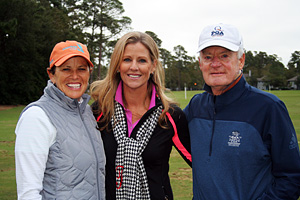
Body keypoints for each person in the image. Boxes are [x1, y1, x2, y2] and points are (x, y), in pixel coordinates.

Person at [184, 23, 300, 200]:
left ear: (241, 60)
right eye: (208, 57)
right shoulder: (195, 106)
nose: (215, 64)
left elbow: (291, 178)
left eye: (224, 56)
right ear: (200, 63)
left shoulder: (269, 107)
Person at [90, 31, 191, 200]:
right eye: (127, 59)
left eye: (142, 60)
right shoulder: (100, 112)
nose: (134, 67)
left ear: (152, 66)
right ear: (117, 65)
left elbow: (202, 165)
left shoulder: (171, 116)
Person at [15, 40, 106, 200]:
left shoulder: (86, 112)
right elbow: (28, 194)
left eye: (81, 69)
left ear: (89, 72)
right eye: (66, 69)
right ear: (51, 74)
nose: (75, 76)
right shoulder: (36, 117)